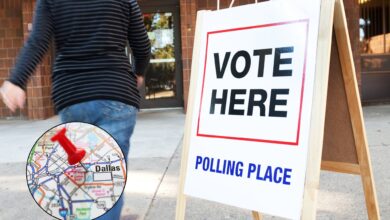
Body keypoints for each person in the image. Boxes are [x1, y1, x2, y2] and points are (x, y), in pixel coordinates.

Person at [0, 0, 151, 219]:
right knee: (107, 179)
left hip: (73, 96)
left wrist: (16, 80)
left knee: (81, 178)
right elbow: (142, 45)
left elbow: (37, 41)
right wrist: (139, 71)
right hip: (115, 92)